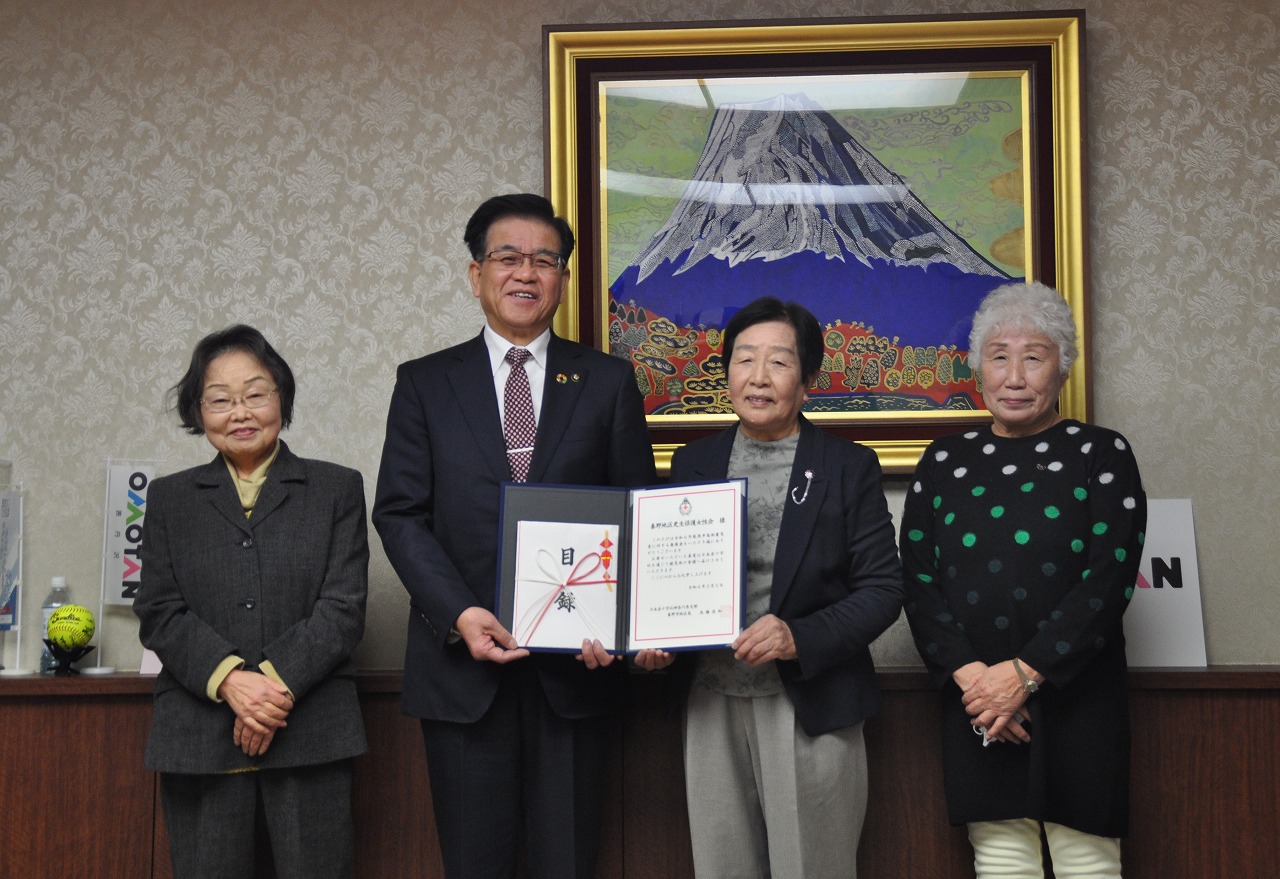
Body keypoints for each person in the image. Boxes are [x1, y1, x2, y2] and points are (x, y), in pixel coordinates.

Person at [372, 193, 657, 879]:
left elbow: (639, 513)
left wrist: (624, 625)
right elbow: (400, 513)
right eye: (508, 257)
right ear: (476, 274)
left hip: (576, 675)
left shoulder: (609, 381)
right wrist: (461, 613)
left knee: (569, 860)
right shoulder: (424, 384)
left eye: (544, 260)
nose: (525, 273)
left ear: (561, 279)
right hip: (463, 673)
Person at [636, 296, 904, 878]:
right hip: (709, 698)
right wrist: (650, 641)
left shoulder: (845, 466)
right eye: (743, 359)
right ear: (725, 370)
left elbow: (883, 588)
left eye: (778, 363)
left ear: (807, 381)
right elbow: (664, 579)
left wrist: (797, 635)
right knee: (721, 867)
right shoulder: (691, 464)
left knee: (812, 868)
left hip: (808, 703)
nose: (757, 377)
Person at [901, 281, 1147, 879]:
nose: (1014, 377)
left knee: (1087, 861)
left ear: (1062, 368)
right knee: (1002, 859)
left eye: (1033, 357)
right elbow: (917, 579)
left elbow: (1109, 579)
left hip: (1078, 696)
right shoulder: (943, 460)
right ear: (977, 368)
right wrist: (980, 687)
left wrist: (1024, 676)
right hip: (977, 703)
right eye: (999, 356)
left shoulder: (1102, 453)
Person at [135, 325, 369, 878]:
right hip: (199, 735)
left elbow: (343, 607)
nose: (239, 411)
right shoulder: (170, 498)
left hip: (312, 732)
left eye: (255, 393)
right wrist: (232, 681)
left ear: (281, 398)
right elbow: (159, 610)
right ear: (199, 411)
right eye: (220, 399)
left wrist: (272, 687)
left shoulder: (336, 488)